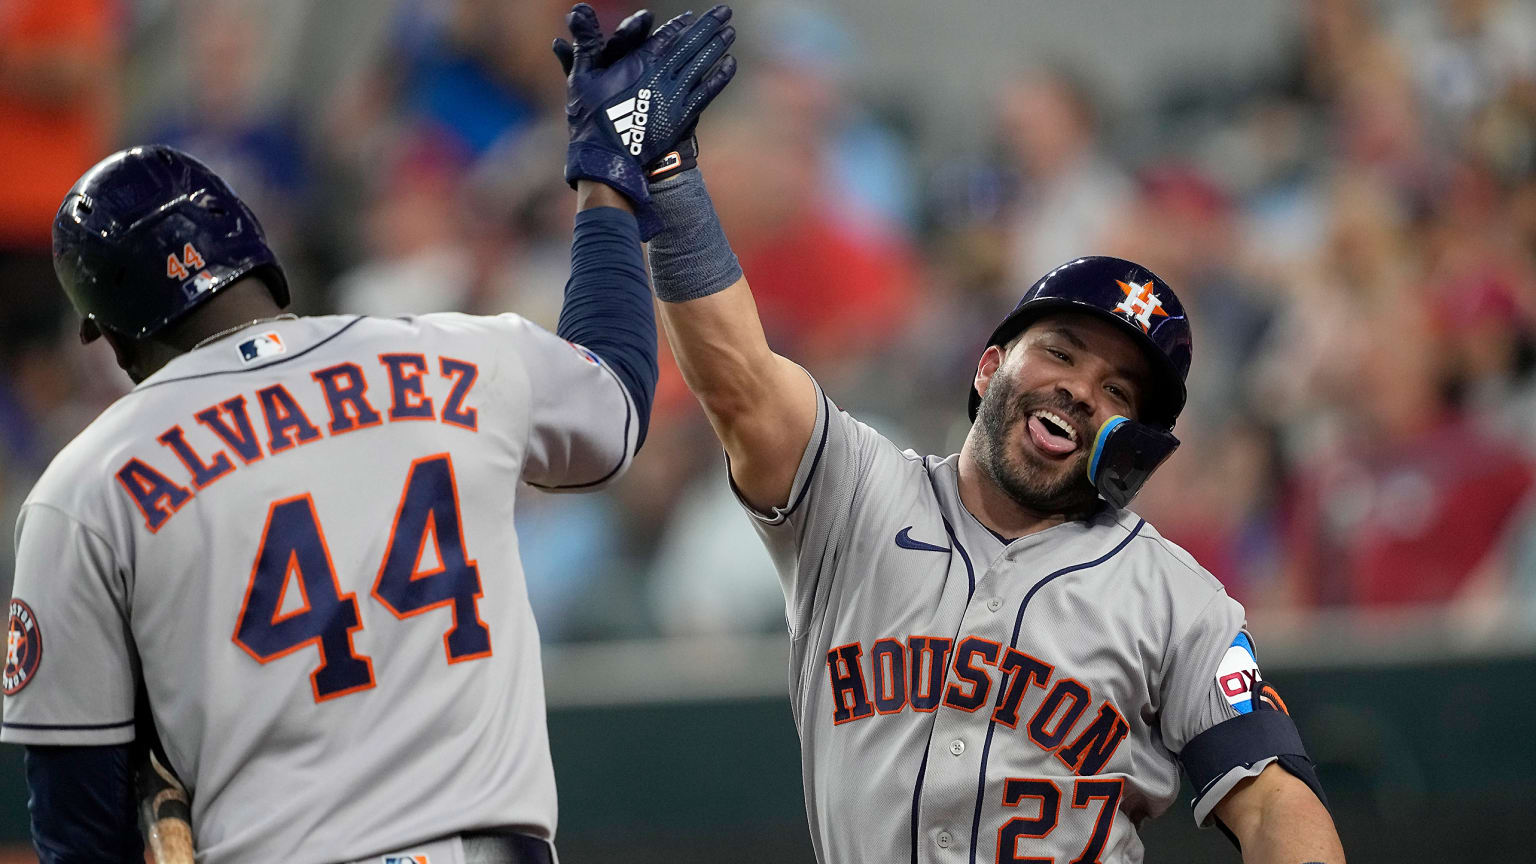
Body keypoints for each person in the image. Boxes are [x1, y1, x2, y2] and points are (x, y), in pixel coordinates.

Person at [0, 5, 735, 862]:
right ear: (261, 258)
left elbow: (77, 825)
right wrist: (607, 183)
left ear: (111, 332)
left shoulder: (85, 486)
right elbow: (617, 398)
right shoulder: (453, 352)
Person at [641, 94, 1346, 864]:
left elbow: (1274, 796)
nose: (1081, 390)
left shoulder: (1176, 600)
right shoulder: (856, 496)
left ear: (1134, 443)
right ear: (989, 367)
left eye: (1117, 391)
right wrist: (669, 179)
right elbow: (739, 380)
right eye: (1063, 353)